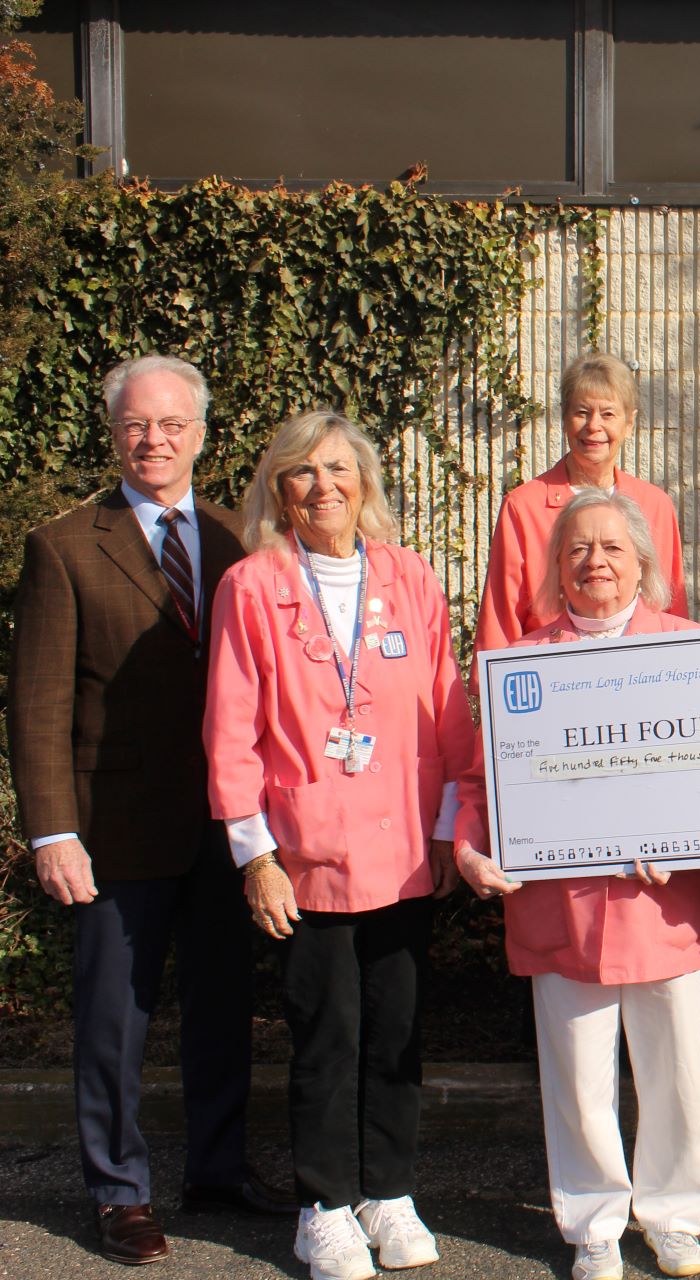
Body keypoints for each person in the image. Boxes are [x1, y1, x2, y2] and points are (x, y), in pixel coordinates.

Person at [456, 490, 700, 1280]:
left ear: (644, 560)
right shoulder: (519, 663)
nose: (594, 562)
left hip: (665, 908)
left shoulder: (691, 650)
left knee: (674, 1072)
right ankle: (594, 1223)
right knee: (577, 1073)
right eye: (576, 549)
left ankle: (673, 1214)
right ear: (555, 569)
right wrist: (470, 850)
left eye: (609, 547)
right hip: (559, 909)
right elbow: (477, 781)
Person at [7, 355, 293, 1264]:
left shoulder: (234, 537)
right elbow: (38, 700)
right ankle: (118, 1191)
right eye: (136, 425)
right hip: (114, 827)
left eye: (171, 425)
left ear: (201, 436)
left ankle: (215, 1168)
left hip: (224, 822)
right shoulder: (64, 544)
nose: (152, 440)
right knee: (111, 1019)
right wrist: (53, 829)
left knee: (222, 1006)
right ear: (113, 434)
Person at [204, 410, 476, 1280]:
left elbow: (446, 713)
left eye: (338, 470)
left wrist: (447, 827)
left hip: (401, 847)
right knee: (326, 1035)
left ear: (366, 482)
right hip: (305, 852)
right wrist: (255, 857)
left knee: (396, 1032)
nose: (323, 487)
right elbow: (231, 731)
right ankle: (324, 1205)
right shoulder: (252, 586)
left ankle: (388, 1193)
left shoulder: (410, 577)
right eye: (301, 473)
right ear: (277, 490)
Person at [474, 351, 687, 661]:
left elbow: (669, 603)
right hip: (551, 670)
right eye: (582, 412)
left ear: (629, 423)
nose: (593, 426)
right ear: (564, 419)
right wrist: (493, 688)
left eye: (608, 414)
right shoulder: (524, 506)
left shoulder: (655, 505)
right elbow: (501, 613)